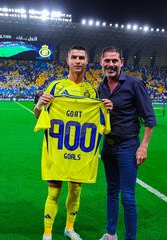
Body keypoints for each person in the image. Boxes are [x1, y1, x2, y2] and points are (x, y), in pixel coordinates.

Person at [34, 45, 113, 240]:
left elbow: (99, 123)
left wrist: (107, 108)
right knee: (53, 193)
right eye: (74, 57)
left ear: (87, 62)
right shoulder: (55, 86)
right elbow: (38, 116)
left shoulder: (92, 92)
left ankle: (69, 228)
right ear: (68, 61)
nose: (78, 61)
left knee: (76, 191)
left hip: (80, 151)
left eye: (81, 58)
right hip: (57, 149)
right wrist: (39, 104)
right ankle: (47, 233)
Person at [97, 46, 156, 240]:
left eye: (115, 61)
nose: (111, 65)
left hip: (128, 146)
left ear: (121, 62)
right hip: (108, 147)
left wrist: (144, 146)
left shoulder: (134, 83)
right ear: (101, 63)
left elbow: (150, 118)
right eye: (107, 61)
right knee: (111, 191)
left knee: (128, 197)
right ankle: (110, 233)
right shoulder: (101, 87)